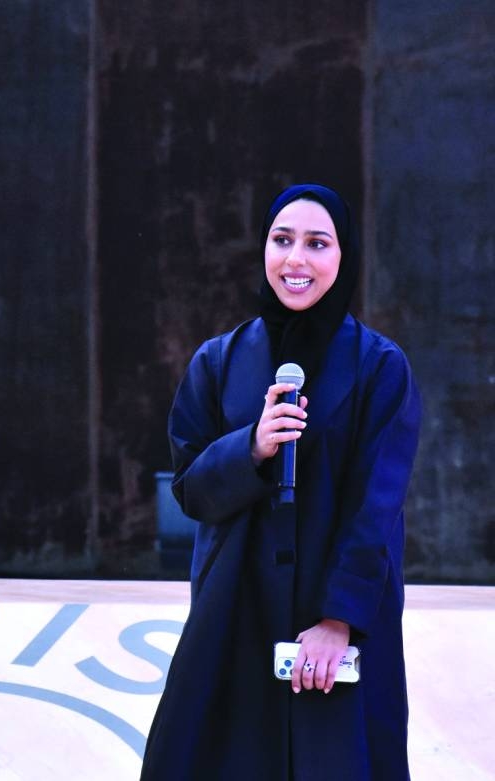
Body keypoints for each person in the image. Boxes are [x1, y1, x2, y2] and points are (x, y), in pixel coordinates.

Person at [139, 184, 421, 780]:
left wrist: (338, 622)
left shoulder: (379, 367)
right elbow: (191, 491)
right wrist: (253, 446)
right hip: (235, 611)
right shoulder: (218, 362)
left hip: (333, 620)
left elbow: (377, 508)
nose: (296, 259)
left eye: (317, 243)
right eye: (281, 240)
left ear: (343, 255)